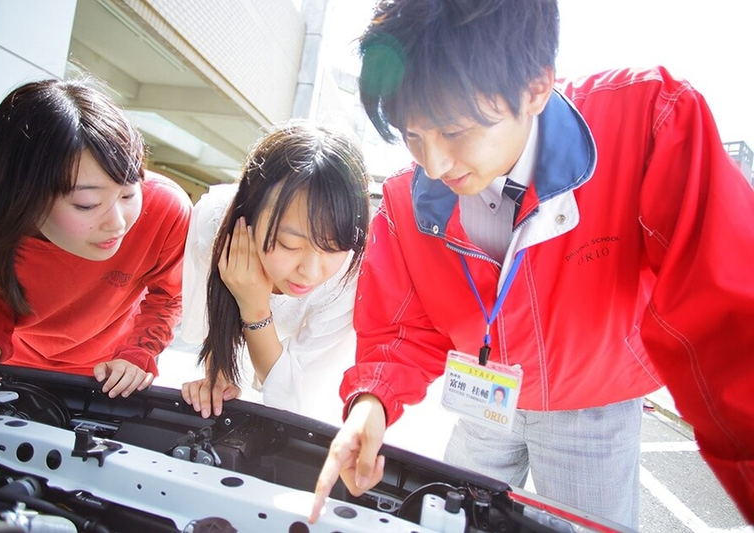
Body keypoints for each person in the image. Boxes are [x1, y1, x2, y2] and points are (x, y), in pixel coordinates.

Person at [310, 0, 754, 527]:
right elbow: (401, 330)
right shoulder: (407, 198)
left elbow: (726, 317)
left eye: (454, 130)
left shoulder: (647, 122)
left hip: (593, 408)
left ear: (536, 86)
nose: (435, 164)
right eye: (412, 136)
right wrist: (372, 404)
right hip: (482, 404)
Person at [0, 78, 192, 398]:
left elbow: (170, 295)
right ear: (20, 195)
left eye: (128, 194)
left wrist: (138, 353)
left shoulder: (164, 209)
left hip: (108, 376)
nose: (118, 223)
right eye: (87, 204)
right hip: (5, 368)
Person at [179, 121, 370, 424]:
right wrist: (220, 374)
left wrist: (254, 307)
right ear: (249, 214)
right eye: (289, 244)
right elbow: (208, 324)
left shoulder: (349, 278)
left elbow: (293, 397)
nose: (310, 272)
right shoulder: (213, 223)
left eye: (333, 247)